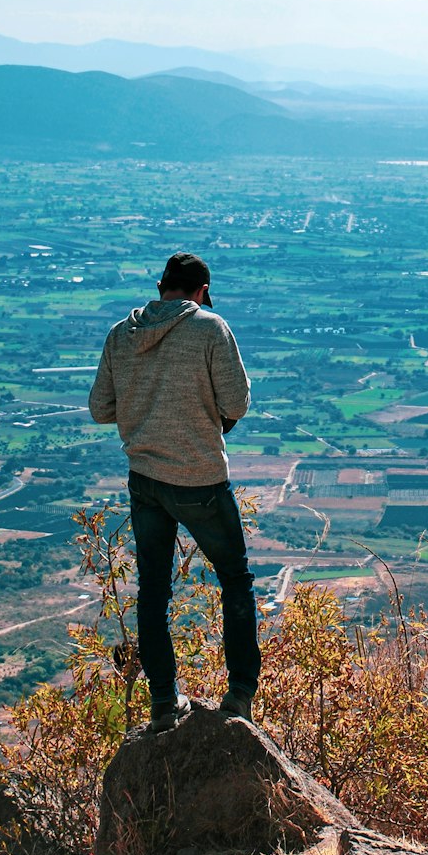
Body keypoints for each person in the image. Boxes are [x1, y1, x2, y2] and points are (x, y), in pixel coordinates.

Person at [88, 251, 259, 730]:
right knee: (235, 580)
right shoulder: (210, 328)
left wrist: (144, 406)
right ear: (201, 291)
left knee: (154, 593)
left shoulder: (122, 334)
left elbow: (101, 408)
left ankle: (164, 701)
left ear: (162, 285)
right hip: (200, 477)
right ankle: (241, 692)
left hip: (145, 481)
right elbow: (237, 402)